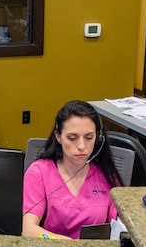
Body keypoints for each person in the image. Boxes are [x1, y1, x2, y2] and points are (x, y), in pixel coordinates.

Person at [22, 100, 122, 239]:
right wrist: (69, 245)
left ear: (98, 138)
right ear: (58, 137)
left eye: (89, 137)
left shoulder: (106, 175)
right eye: (72, 138)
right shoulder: (39, 172)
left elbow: (119, 227)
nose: (81, 146)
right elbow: (28, 230)